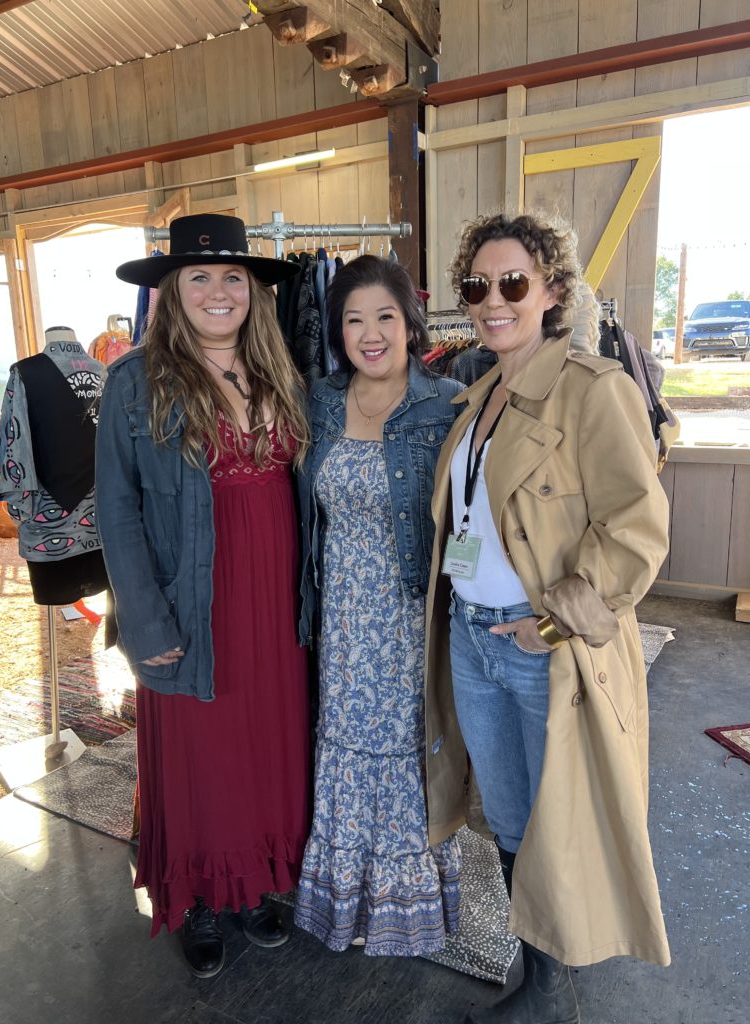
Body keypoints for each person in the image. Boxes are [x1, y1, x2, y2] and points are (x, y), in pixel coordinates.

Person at [423, 211, 671, 1024]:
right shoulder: (478, 397)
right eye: (476, 286)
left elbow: (635, 530)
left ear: (552, 290)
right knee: (508, 814)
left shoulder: (596, 392)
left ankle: (555, 989)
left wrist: (557, 623)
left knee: (559, 814)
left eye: (512, 283)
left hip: (540, 648)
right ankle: (539, 966)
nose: (492, 300)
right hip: (473, 637)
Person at [95, 214, 311, 979]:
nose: (219, 292)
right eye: (200, 278)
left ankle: (253, 888)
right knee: (199, 760)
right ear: (171, 291)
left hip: (275, 605)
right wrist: (144, 621)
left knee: (263, 753)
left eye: (232, 278)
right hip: (192, 605)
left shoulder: (283, 371)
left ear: (252, 290)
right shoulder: (133, 382)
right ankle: (201, 900)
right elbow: (115, 512)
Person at [294, 254, 464, 955]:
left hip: (408, 614)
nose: (369, 333)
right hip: (341, 614)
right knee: (344, 743)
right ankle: (349, 904)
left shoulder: (448, 401)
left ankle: (409, 909)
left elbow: (473, 514)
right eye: (353, 319)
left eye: (384, 317)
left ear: (410, 324)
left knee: (406, 747)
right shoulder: (320, 401)